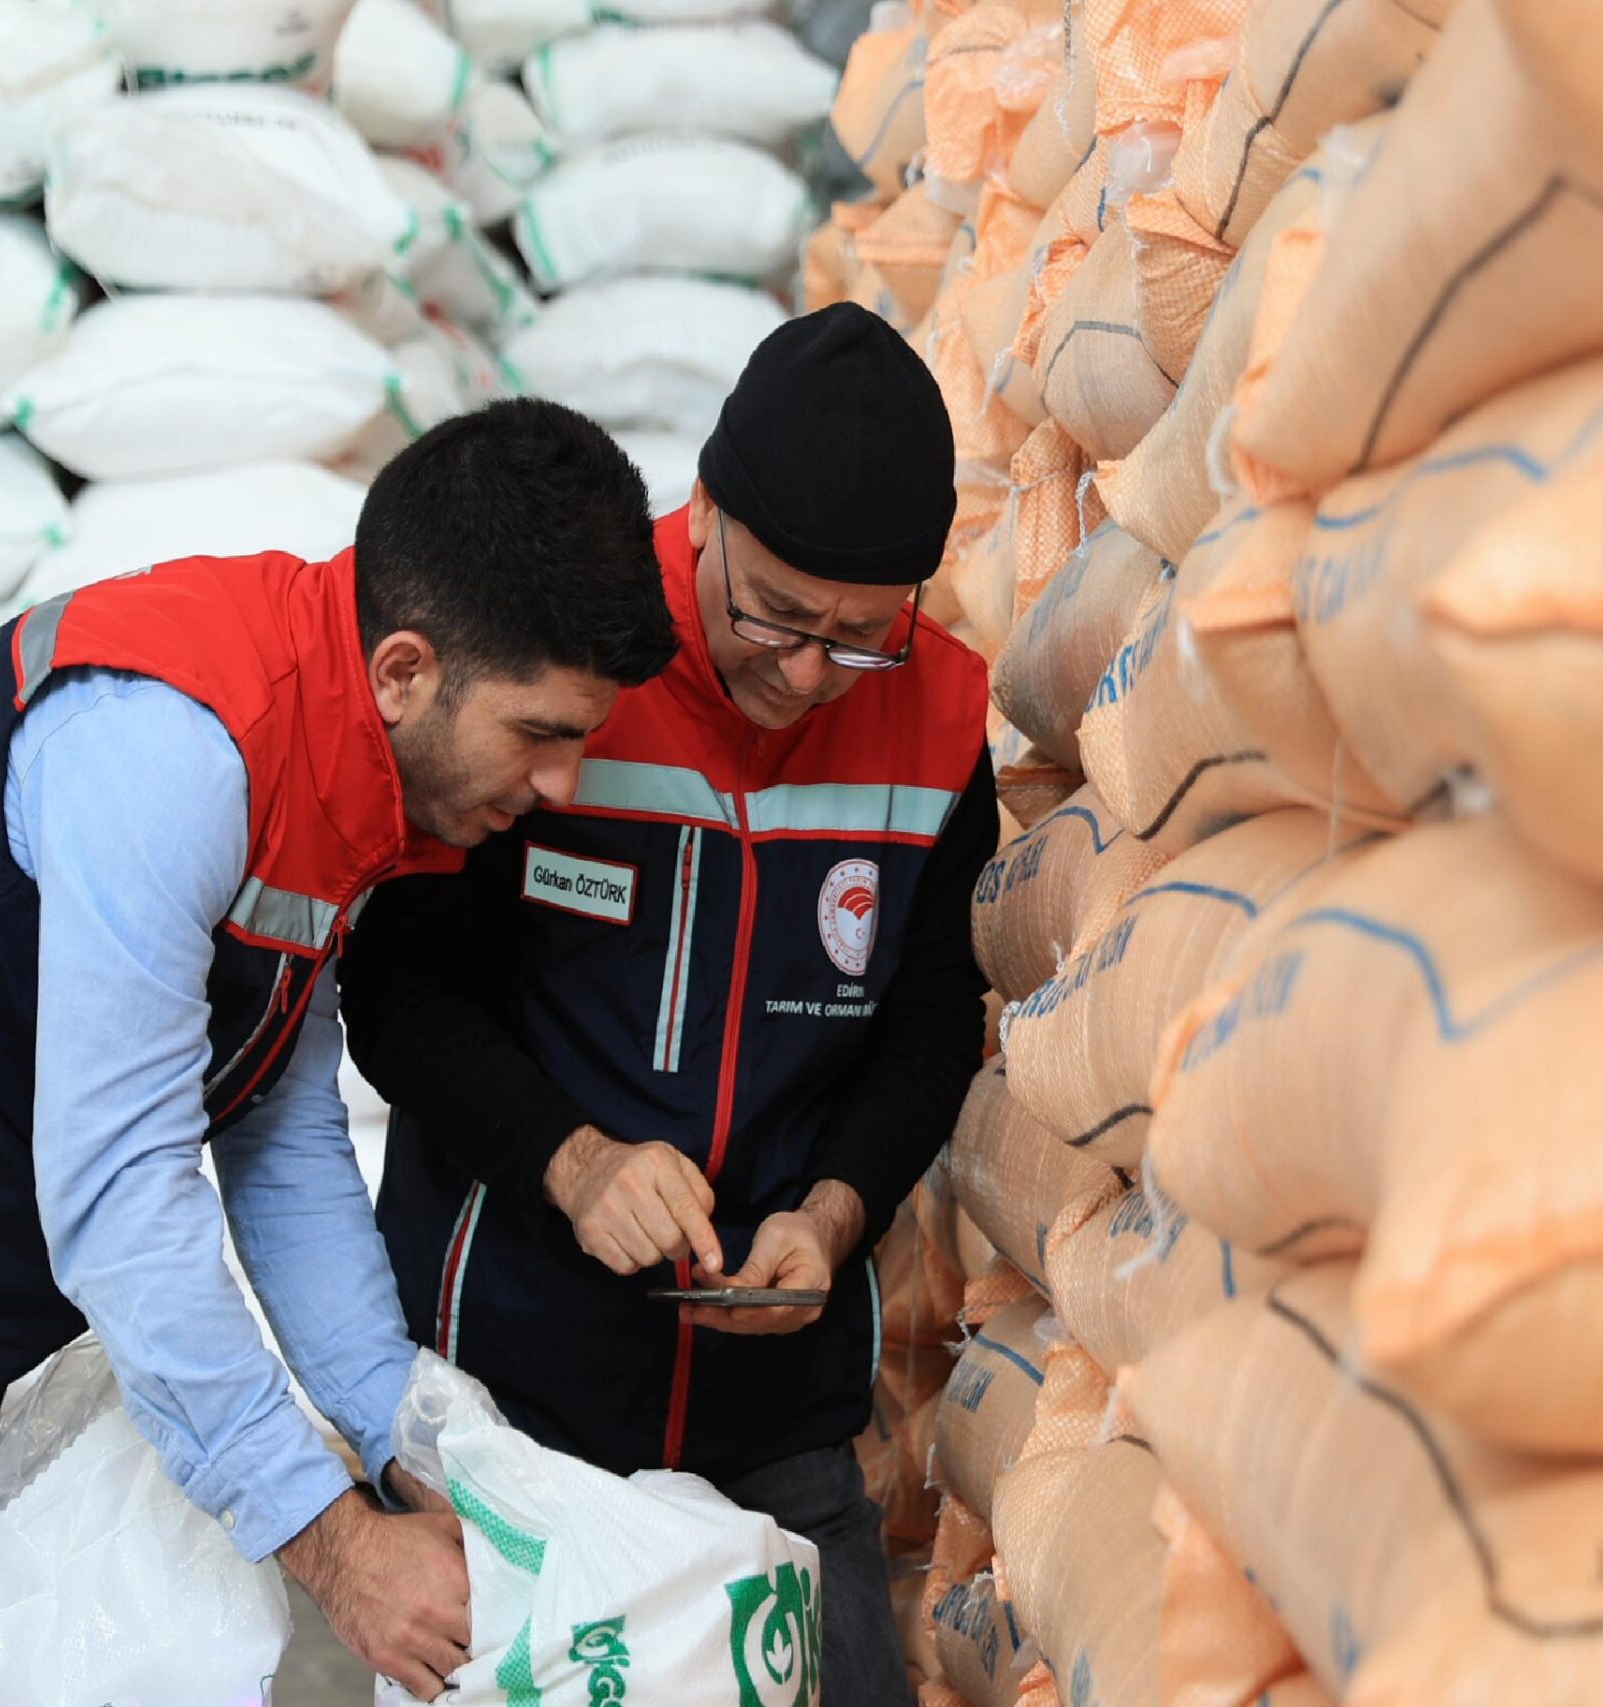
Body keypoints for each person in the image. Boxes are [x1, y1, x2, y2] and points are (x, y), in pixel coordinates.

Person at [0, 400, 678, 1698]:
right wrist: (334, 1545)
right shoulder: (171, 746)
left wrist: (405, 1433)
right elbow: (121, 1198)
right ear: (406, 670)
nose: (565, 787)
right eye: (542, 734)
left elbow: (277, 1134)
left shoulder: (342, 779)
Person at [339, 304, 997, 1707]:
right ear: (700, 513)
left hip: (780, 1421)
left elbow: (934, 1020)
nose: (808, 671)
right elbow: (395, 986)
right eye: (772, 612)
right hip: (510, 1409)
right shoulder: (567, 661)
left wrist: (833, 1213)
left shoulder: (943, 725)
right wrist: (573, 1166)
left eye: (860, 635)